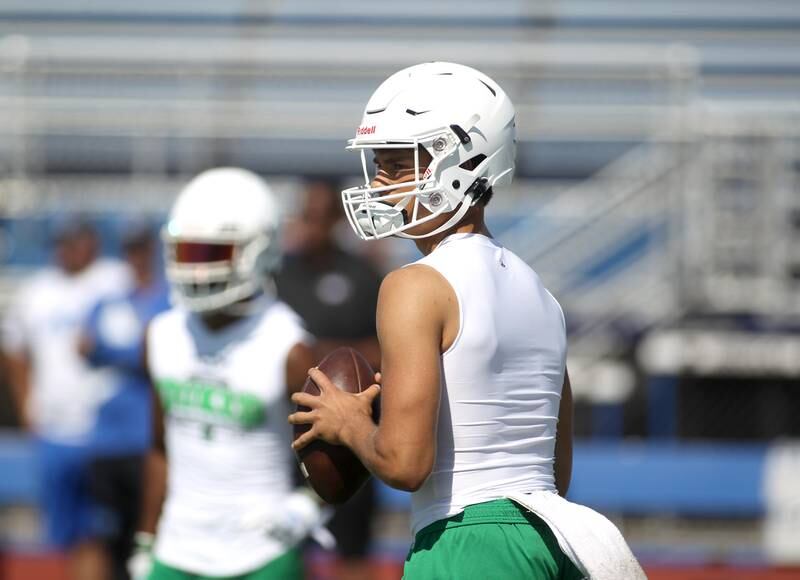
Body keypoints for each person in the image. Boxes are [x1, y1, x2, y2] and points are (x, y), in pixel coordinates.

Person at [289, 62, 646, 579]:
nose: (381, 182)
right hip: (552, 542)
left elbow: (406, 464)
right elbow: (555, 473)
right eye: (379, 163)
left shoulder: (414, 284)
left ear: (463, 160)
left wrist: (351, 424)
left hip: (466, 545)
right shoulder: (542, 295)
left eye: (399, 162)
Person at [130, 168, 326, 580]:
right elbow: (159, 447)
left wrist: (310, 503)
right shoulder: (162, 334)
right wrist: (146, 539)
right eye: (189, 253)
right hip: (177, 548)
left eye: (211, 254)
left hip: (261, 552)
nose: (197, 270)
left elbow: (340, 449)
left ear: (259, 250)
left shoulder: (287, 345)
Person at [1, 217, 132, 580]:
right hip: (54, 429)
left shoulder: (113, 279)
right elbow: (13, 351)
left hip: (103, 431)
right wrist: (26, 403)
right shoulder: (37, 290)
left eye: (76, 241)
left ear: (92, 242)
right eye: (63, 242)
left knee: (100, 533)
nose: (69, 250)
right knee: (68, 535)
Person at [275, 178, 382, 580]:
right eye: (307, 216)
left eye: (322, 217)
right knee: (284, 546)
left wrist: (320, 355)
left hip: (354, 434)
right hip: (295, 431)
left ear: (337, 220)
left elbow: (386, 348)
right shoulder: (279, 276)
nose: (313, 225)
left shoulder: (363, 275)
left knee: (353, 549)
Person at [79, 222, 171, 580]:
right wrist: (128, 354)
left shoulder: (167, 300)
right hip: (107, 439)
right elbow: (83, 347)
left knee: (149, 532)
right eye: (130, 250)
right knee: (107, 537)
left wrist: (112, 352)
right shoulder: (110, 302)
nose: (136, 258)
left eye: (141, 248)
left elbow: (155, 358)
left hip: (148, 439)